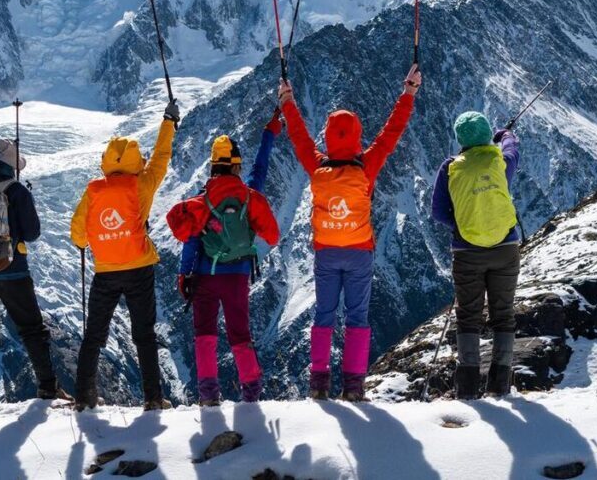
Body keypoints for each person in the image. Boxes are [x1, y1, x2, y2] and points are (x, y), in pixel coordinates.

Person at [278, 64, 422, 401]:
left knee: (323, 314)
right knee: (357, 316)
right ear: (357, 136)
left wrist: (287, 99)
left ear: (327, 136)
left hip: (327, 251)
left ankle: (318, 383)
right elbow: (391, 133)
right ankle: (354, 386)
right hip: (359, 252)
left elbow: (297, 134)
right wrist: (409, 93)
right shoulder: (366, 167)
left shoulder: (317, 167)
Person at [166, 112, 284, 406]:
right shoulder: (249, 196)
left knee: (204, 334)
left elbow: (191, 241)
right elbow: (272, 233)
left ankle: (208, 396)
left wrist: (185, 275)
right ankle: (251, 392)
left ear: (213, 164)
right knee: (240, 334)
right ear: (235, 164)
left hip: (206, 276)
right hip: (238, 277)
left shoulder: (202, 200)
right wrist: (269, 134)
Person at [70, 100, 180, 411]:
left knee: (94, 335)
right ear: (135, 161)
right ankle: (153, 399)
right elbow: (161, 157)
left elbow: (77, 232)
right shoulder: (141, 185)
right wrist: (168, 122)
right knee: (143, 336)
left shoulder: (93, 191)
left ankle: (83, 398)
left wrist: (92, 241)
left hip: (105, 272)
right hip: (139, 270)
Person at [430, 111, 521, 399]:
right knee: (503, 315)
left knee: (468, 317)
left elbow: (437, 212)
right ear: (485, 137)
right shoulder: (499, 162)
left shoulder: (450, 168)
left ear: (460, 140)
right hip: (506, 247)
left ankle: (467, 387)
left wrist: (460, 224)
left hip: (467, 251)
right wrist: (503, 134)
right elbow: (512, 148)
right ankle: (500, 384)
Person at [0, 139, 64, 411]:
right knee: (32, 328)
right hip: (11, 270)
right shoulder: (17, 190)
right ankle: (48, 387)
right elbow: (32, 233)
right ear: (13, 166)